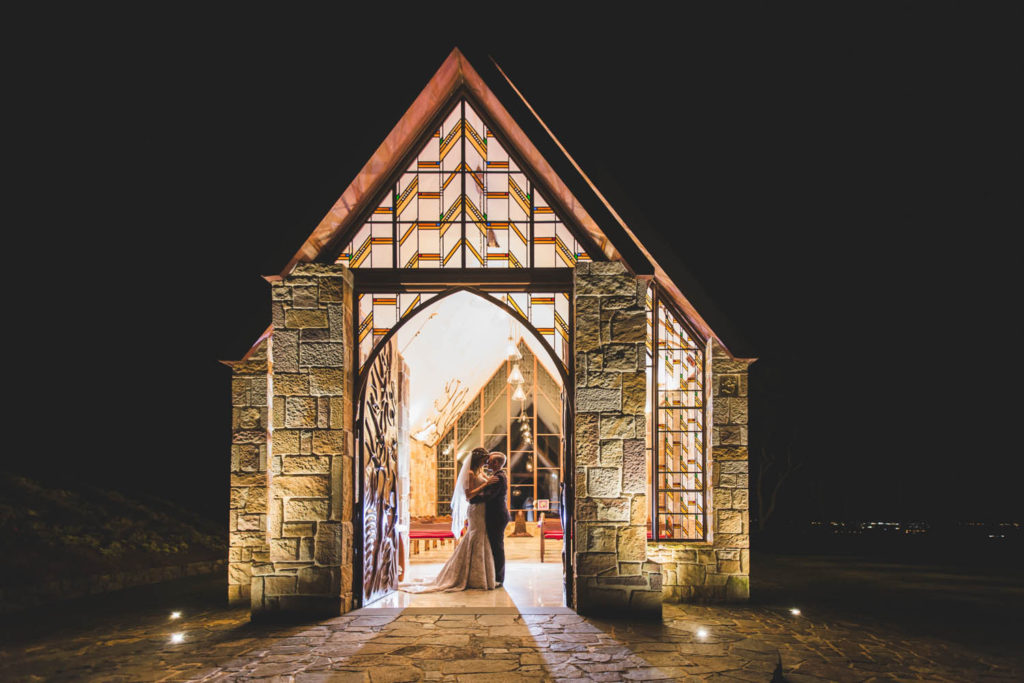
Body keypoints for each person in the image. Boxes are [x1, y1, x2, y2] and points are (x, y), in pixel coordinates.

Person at [400, 448, 497, 593]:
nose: (486, 462)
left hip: (482, 509)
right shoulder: (470, 473)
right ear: (478, 459)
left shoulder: (480, 472)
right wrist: (485, 484)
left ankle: (479, 574)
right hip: (475, 510)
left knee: (481, 537)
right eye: (484, 459)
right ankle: (468, 575)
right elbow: (468, 495)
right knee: (475, 536)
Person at [469, 452, 511, 587]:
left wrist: (472, 499)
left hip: (497, 516)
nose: (487, 463)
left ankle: (499, 578)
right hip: (494, 515)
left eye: (490, 461)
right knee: (494, 545)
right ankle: (492, 574)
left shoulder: (498, 477)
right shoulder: (496, 475)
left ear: (497, 463)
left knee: (497, 547)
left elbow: (489, 496)